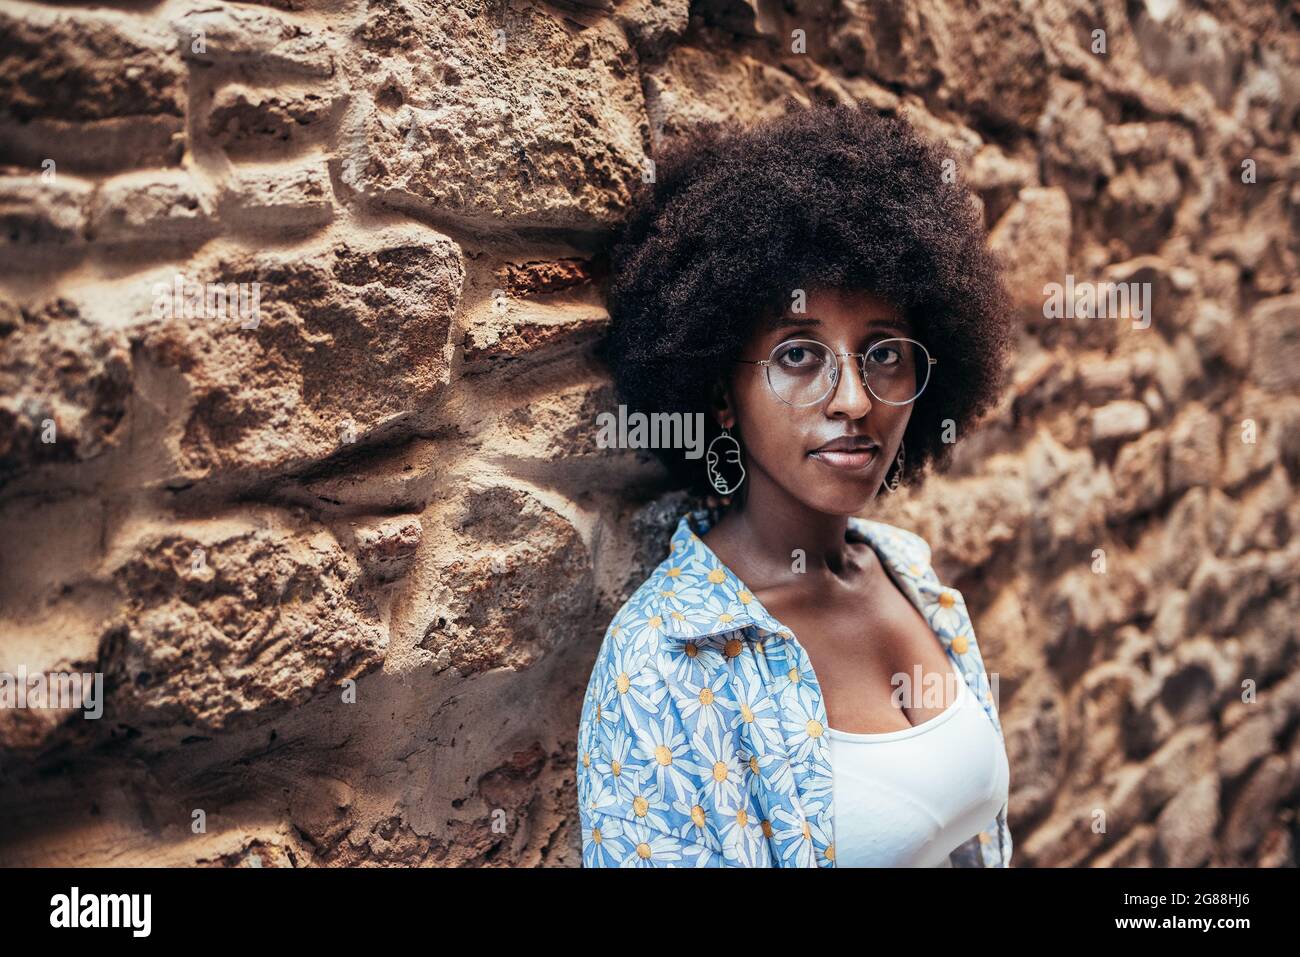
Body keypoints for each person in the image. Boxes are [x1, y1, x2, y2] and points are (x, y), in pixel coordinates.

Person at [577, 103, 1015, 867]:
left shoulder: (912, 576)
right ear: (721, 390)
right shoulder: (666, 664)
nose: (853, 399)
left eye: (883, 353)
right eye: (799, 356)